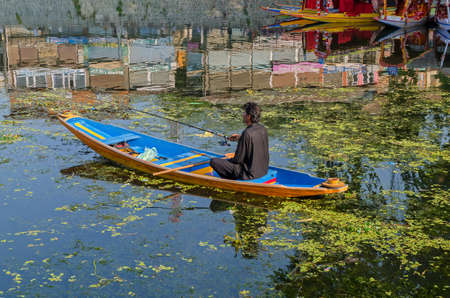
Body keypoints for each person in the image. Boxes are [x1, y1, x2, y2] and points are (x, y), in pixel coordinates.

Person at [210, 102, 269, 180]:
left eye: (244, 112)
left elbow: (238, 160)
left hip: (249, 174)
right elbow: (255, 142)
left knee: (213, 161)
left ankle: (229, 181)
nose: (242, 115)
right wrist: (240, 138)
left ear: (249, 116)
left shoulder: (247, 133)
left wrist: (227, 161)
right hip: (263, 170)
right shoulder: (263, 129)